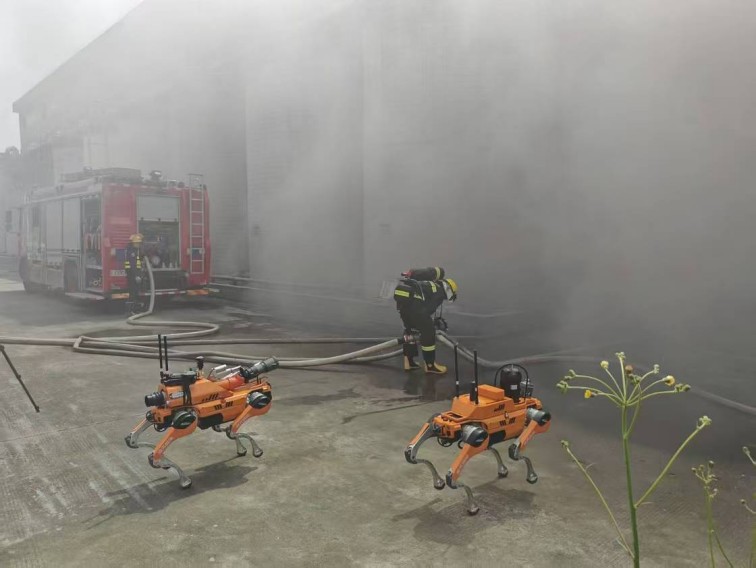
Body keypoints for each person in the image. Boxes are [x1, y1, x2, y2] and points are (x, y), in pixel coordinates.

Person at [394, 266, 458, 375]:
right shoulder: (439, 291)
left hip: (403, 306)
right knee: (428, 332)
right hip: (415, 308)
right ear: (449, 289)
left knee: (410, 331)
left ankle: (409, 362)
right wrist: (428, 323)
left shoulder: (430, 284)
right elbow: (428, 310)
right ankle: (430, 365)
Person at [124, 233, 145, 312]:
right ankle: (131, 310)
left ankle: (134, 309)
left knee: (134, 292)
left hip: (132, 274)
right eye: (137, 243)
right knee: (133, 292)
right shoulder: (132, 252)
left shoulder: (134, 250)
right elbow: (133, 265)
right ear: (133, 243)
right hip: (132, 275)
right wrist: (136, 276)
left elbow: (138, 261)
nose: (139, 245)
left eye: (139, 243)